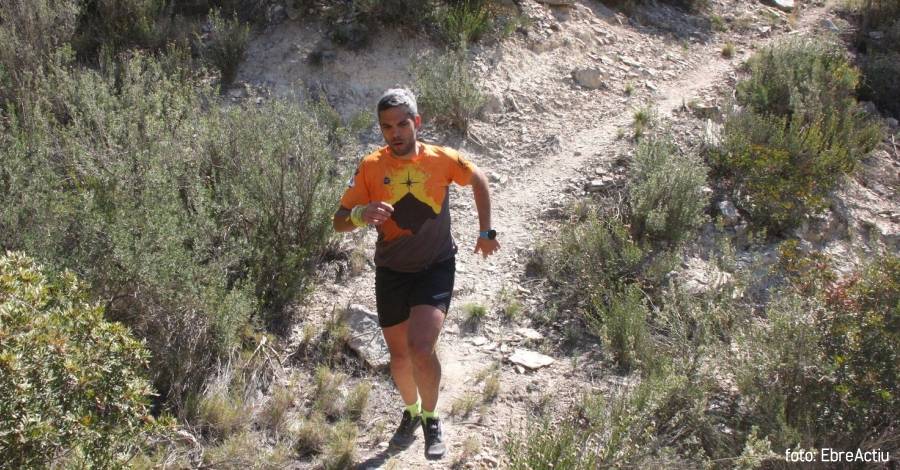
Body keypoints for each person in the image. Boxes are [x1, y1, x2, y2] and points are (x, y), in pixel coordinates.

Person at [333, 88, 500, 460]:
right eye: (387, 127)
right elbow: (338, 220)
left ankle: (431, 418)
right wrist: (360, 214)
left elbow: (479, 179)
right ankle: (410, 412)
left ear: (416, 123)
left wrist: (486, 232)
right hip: (391, 270)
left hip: (434, 266)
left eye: (402, 124)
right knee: (399, 357)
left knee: (421, 348)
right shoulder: (370, 166)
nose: (395, 133)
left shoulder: (441, 159)